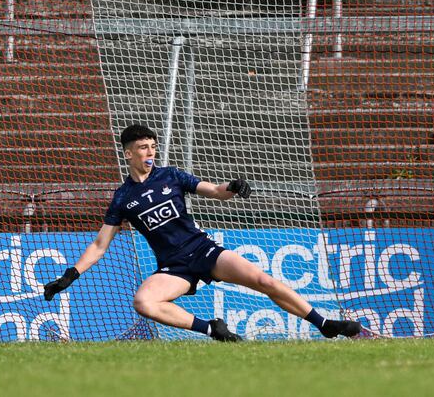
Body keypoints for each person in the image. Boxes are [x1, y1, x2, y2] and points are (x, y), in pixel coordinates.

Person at [43, 123, 362, 341]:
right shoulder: (123, 198)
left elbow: (213, 190)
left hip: (203, 250)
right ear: (128, 153)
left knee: (264, 281)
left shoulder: (170, 176)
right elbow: (100, 244)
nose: (149, 152)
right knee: (144, 302)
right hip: (173, 267)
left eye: (152, 146)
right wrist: (70, 275)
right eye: (143, 147)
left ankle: (325, 324)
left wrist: (232, 188)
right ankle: (211, 329)